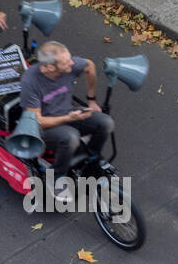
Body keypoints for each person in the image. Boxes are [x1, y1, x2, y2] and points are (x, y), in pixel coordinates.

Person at [18, 41, 113, 196]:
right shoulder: (31, 82)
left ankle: (91, 158)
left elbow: (89, 66)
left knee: (105, 123)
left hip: (69, 113)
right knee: (71, 137)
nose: (72, 63)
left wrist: (92, 99)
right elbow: (37, 121)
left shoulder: (69, 65)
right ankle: (56, 176)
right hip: (45, 127)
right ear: (50, 67)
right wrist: (67, 118)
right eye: (66, 62)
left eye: (70, 58)